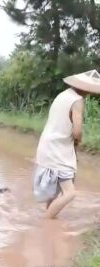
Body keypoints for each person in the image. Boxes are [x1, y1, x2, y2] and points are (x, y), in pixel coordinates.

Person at [33, 69, 99, 219]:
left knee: (54, 191)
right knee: (70, 193)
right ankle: (47, 222)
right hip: (58, 150)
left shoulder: (63, 95)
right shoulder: (77, 100)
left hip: (47, 146)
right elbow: (76, 131)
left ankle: (48, 216)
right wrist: (78, 140)